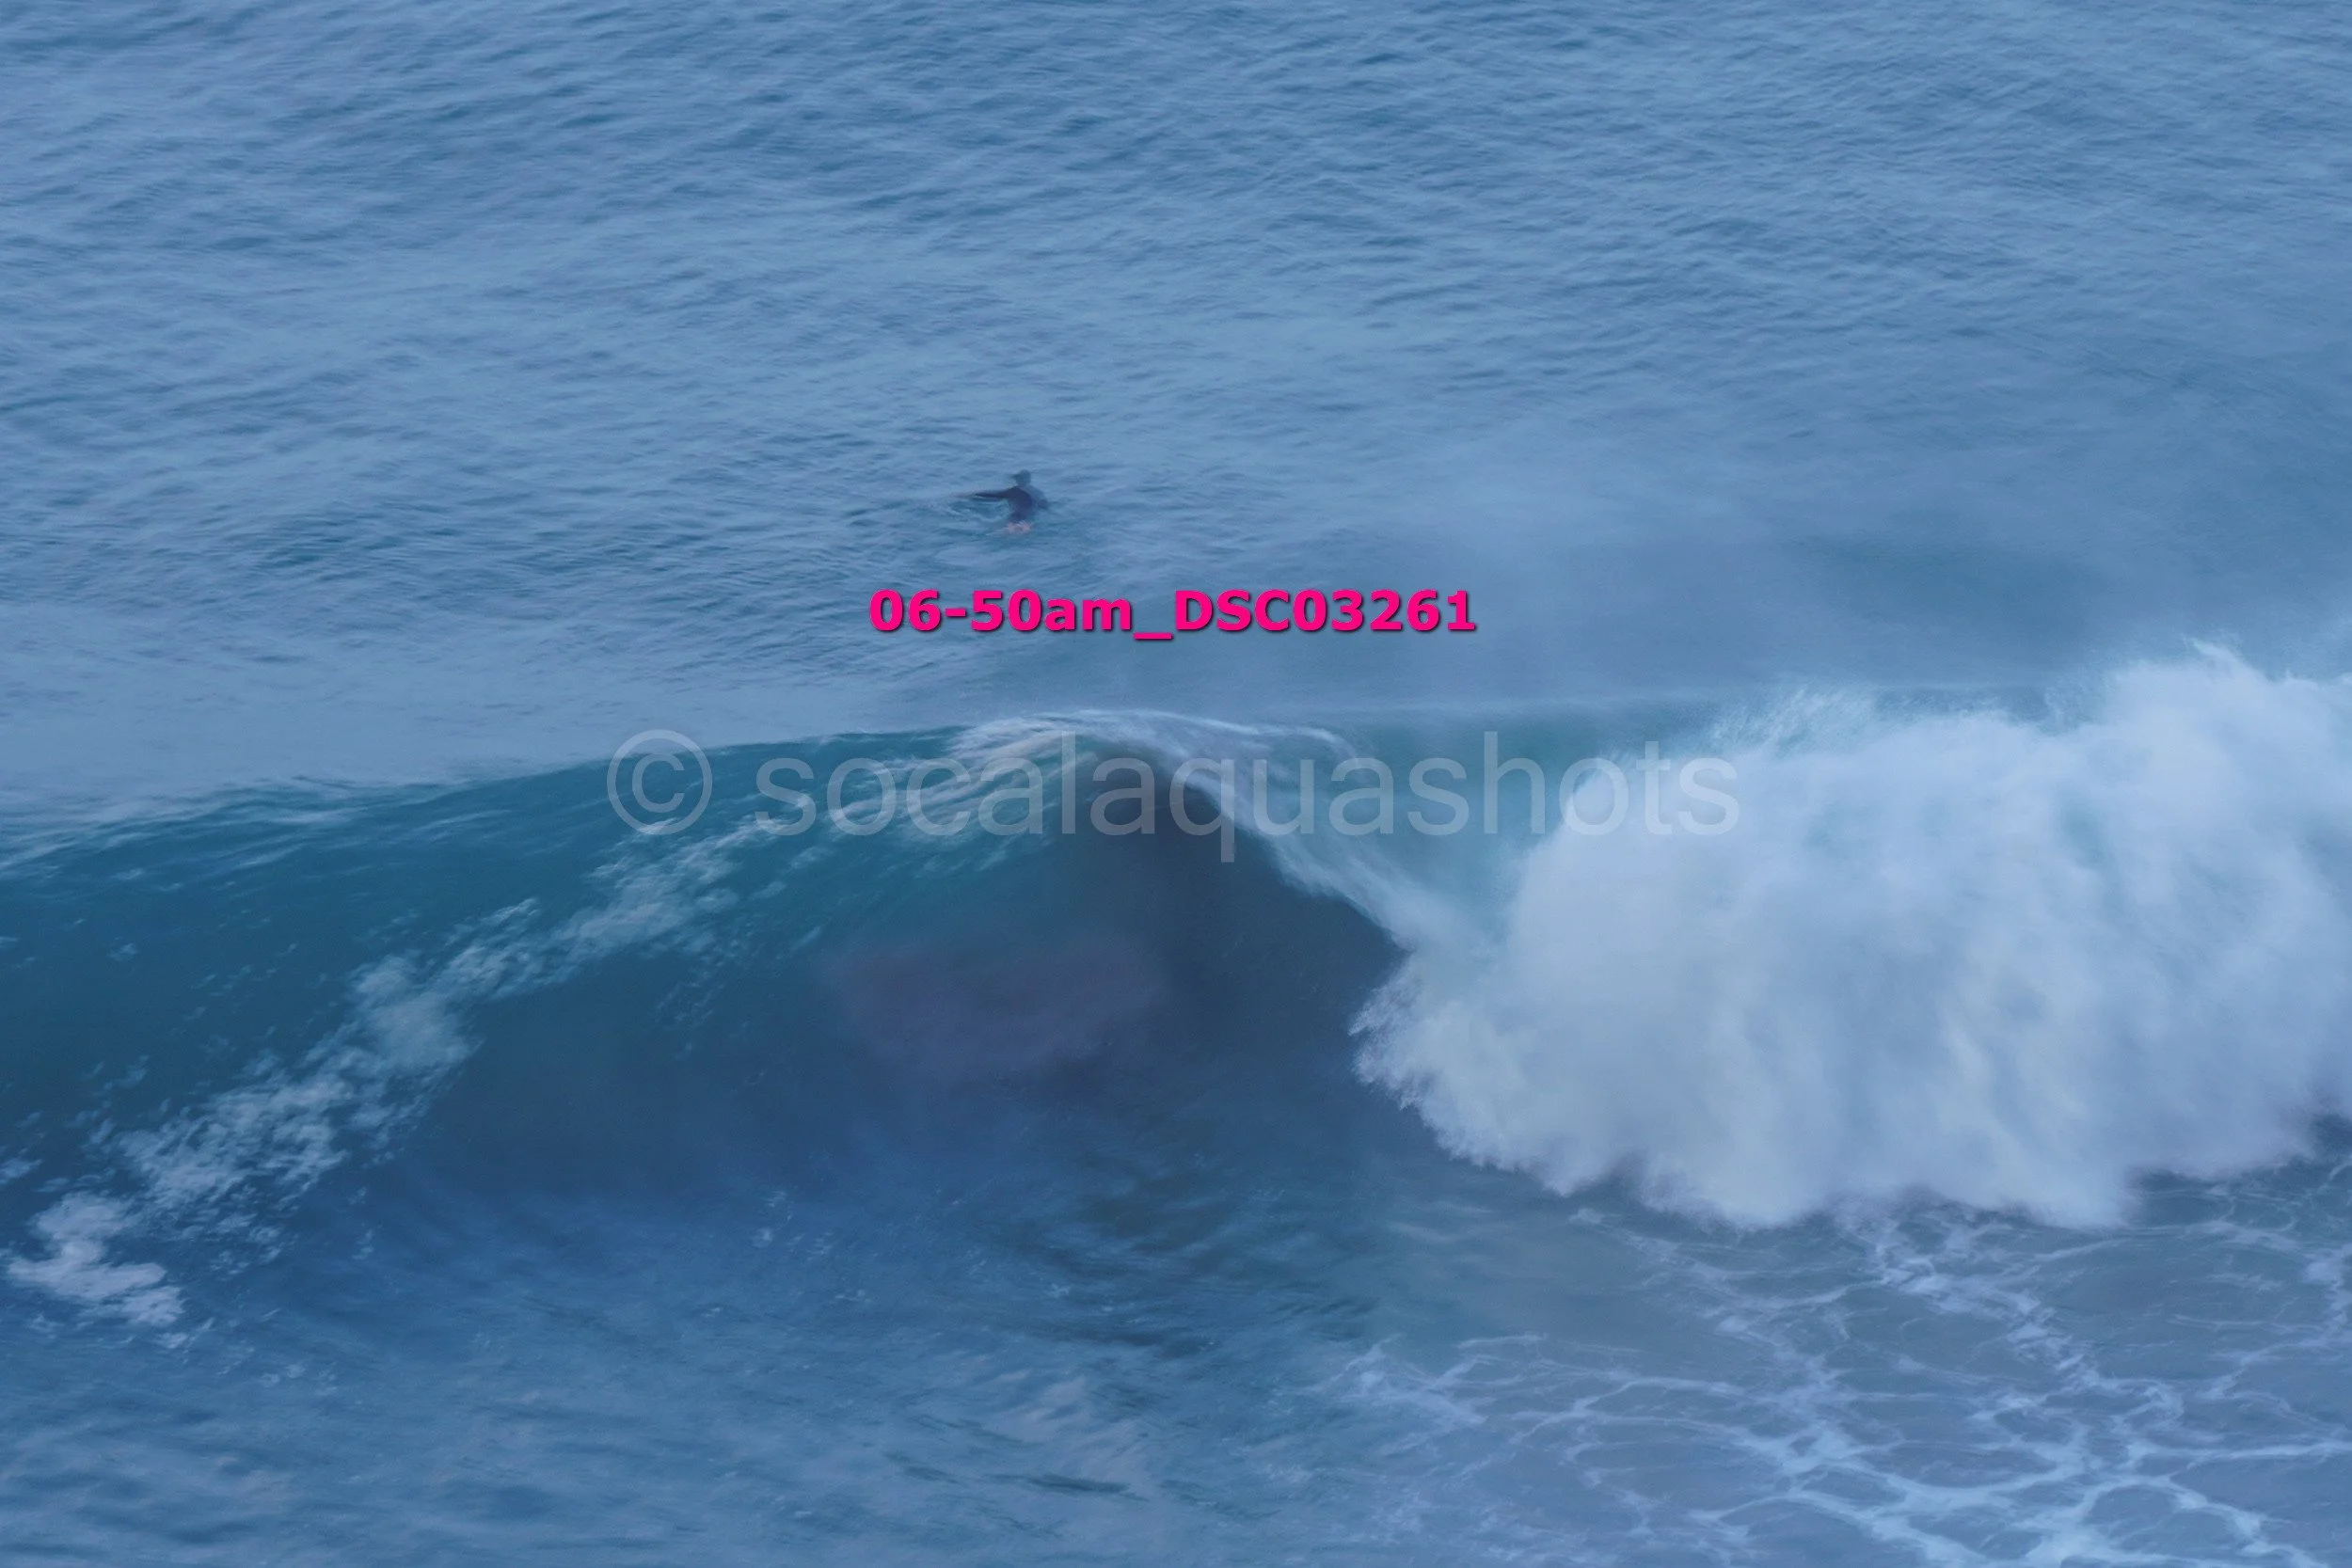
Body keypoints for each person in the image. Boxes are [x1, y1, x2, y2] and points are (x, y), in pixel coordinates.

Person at [963, 471, 1045, 533]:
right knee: (1025, 530)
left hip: (1015, 515)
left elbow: (991, 494)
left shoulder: (1013, 491)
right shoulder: (1038, 492)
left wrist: (971, 494)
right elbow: (1044, 506)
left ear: (1017, 480)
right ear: (1029, 480)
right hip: (1030, 516)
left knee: (1009, 532)